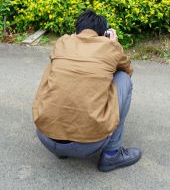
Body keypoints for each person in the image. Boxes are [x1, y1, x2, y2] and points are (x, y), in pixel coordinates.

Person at [32, 9, 141, 172]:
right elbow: (127, 70)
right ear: (104, 33)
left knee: (54, 67)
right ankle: (112, 154)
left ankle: (60, 146)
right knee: (123, 79)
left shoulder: (62, 42)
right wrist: (114, 43)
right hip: (90, 145)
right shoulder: (110, 46)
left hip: (46, 137)